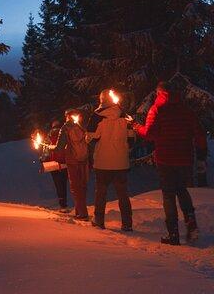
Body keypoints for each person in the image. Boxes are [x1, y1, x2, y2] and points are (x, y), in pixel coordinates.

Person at [131, 81, 207, 245]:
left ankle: (173, 234)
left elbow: (149, 134)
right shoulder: (186, 111)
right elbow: (200, 134)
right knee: (182, 189)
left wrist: (136, 126)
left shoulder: (157, 109)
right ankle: (190, 222)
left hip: (165, 158)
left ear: (160, 93)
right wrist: (201, 156)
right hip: (185, 158)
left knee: (168, 194)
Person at [86, 89, 134, 231]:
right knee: (123, 194)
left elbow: (90, 138)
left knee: (101, 192)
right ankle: (127, 224)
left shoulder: (96, 117)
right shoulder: (125, 117)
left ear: (101, 100)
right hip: (121, 163)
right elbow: (131, 140)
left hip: (103, 162)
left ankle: (99, 220)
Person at [49, 109, 89, 220]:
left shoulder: (65, 128)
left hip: (72, 161)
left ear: (67, 116)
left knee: (75, 187)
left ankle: (82, 214)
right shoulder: (82, 126)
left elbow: (59, 147)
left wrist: (50, 147)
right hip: (84, 160)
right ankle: (79, 211)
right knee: (82, 186)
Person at [46, 120, 68, 212]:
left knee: (58, 184)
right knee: (64, 183)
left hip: (53, 164)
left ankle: (62, 204)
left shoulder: (49, 136)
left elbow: (46, 150)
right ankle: (64, 204)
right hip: (64, 162)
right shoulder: (64, 133)